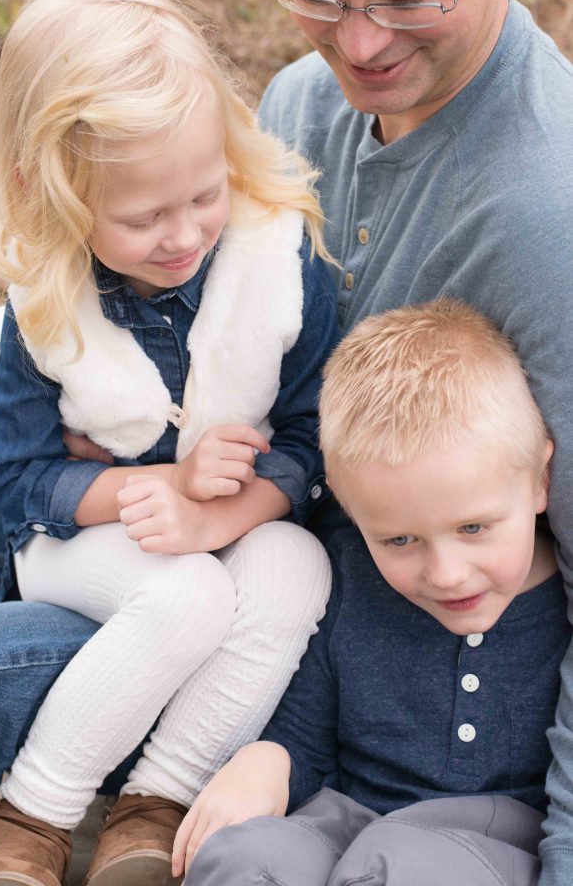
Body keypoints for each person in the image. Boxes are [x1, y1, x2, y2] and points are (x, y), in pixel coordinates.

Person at [0, 0, 572, 882]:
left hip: (315, 631)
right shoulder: (300, 107)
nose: (356, 42)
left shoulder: (545, 217)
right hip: (199, 517)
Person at [0, 0, 334, 886]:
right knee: (187, 595)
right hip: (79, 541)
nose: (182, 233)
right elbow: (16, 480)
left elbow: (313, 438)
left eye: (204, 194)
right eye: (141, 216)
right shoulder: (48, 306)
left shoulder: (275, 265)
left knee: (297, 567)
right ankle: (32, 814)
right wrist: (146, 488)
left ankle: (156, 805)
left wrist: (219, 516)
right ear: (53, 195)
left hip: (223, 526)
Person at [178, 298, 570, 886]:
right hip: (348, 820)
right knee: (245, 856)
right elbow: (305, 736)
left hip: (494, 843)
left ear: (540, 479)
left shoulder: (560, 609)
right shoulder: (351, 582)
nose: (446, 573)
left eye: (473, 528)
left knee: (399, 864)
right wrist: (268, 761)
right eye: (400, 539)